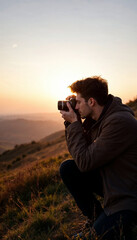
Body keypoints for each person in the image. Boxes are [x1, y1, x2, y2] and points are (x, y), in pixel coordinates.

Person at [59, 76, 137, 239]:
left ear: (92, 101)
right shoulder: (100, 118)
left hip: (128, 195)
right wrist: (72, 123)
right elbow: (82, 156)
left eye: (78, 102)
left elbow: (85, 162)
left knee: (96, 237)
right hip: (113, 181)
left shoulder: (119, 122)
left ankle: (107, 223)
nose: (76, 106)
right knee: (68, 169)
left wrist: (75, 124)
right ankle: (95, 218)